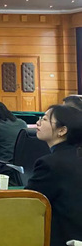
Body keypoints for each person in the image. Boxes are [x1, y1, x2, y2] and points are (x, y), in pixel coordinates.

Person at [25, 104, 82, 246]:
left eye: (44, 119)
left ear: (62, 130)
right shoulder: (75, 156)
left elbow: (27, 202)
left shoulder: (50, 164)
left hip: (62, 238)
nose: (38, 123)